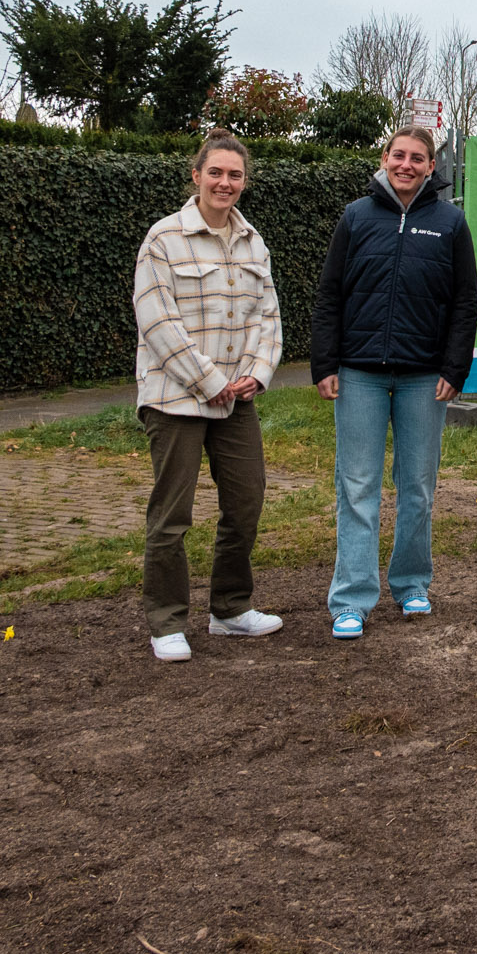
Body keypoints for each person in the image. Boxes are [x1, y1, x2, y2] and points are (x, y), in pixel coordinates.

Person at [310, 125, 477, 640]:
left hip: (424, 376)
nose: (406, 165)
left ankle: (410, 585)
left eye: (418, 158)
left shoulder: (450, 223)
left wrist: (455, 368)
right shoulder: (356, 217)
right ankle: (352, 598)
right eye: (398, 155)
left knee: (418, 488)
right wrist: (325, 362)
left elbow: (465, 301)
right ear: (384, 159)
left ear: (432, 167)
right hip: (358, 372)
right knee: (357, 486)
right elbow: (330, 292)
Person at [132, 133, 285, 662]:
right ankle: (167, 621)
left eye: (235, 175)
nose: (225, 183)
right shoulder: (163, 240)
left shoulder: (252, 242)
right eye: (216, 172)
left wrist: (255, 374)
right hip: (174, 398)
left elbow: (269, 318)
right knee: (171, 514)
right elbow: (158, 323)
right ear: (196, 175)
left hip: (236, 399)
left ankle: (230, 610)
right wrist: (211, 381)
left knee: (246, 502)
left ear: (244, 182)